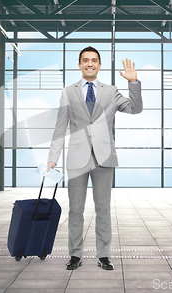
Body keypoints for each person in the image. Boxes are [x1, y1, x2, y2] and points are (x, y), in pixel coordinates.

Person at [47, 46, 143, 270]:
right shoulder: (68, 92)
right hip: (77, 158)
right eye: (85, 60)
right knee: (75, 210)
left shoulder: (110, 91)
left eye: (94, 60)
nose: (90, 64)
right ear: (79, 65)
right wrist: (53, 158)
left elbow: (135, 108)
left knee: (103, 209)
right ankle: (75, 255)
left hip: (104, 158)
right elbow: (60, 127)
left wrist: (133, 83)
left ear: (99, 65)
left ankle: (103, 255)